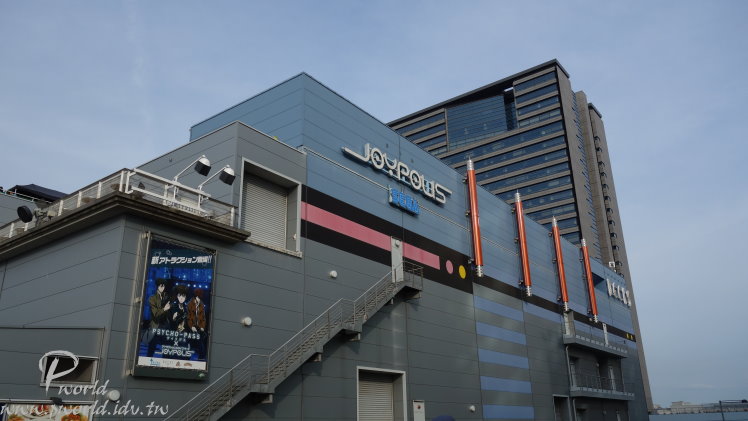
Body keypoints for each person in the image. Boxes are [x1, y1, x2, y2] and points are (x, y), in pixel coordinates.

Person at [145, 279, 171, 356]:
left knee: (166, 350)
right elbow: (155, 313)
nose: (162, 288)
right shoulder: (152, 298)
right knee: (151, 348)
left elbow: (169, 313)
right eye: (161, 286)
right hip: (156, 326)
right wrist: (164, 309)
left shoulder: (167, 298)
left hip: (165, 326)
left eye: (164, 286)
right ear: (157, 287)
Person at [187, 288, 208, 359]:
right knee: (189, 341)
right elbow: (188, 317)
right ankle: (187, 355)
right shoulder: (190, 303)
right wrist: (191, 326)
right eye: (198, 296)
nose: (199, 298)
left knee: (199, 342)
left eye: (200, 296)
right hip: (191, 327)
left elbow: (203, 318)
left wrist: (202, 327)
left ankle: (201, 356)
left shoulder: (201, 304)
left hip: (198, 327)